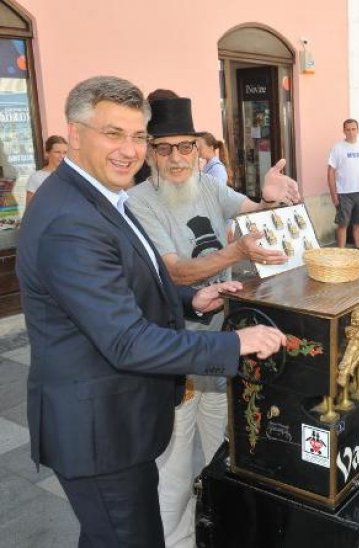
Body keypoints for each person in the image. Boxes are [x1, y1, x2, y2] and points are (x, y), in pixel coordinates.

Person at [16, 75, 286, 547]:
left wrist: (190, 300)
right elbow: (125, 340)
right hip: (100, 433)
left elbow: (129, 287)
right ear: (75, 134)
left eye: (138, 135)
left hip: (115, 421)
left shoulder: (98, 196)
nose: (129, 149)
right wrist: (233, 342)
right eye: (113, 133)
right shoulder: (71, 221)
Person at [127, 96, 300, 548]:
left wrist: (267, 198)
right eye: (164, 149)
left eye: (185, 146)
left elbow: (252, 214)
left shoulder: (207, 185)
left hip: (219, 351)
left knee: (224, 456)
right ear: (148, 152)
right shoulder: (138, 203)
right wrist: (235, 253)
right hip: (176, 362)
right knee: (174, 477)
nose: (177, 158)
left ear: (198, 148)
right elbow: (174, 272)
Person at [327, 118, 359, 249]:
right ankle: (341, 253)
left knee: (358, 224)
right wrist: (334, 195)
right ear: (343, 131)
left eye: (353, 129)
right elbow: (330, 172)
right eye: (348, 129)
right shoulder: (337, 148)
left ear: (358, 130)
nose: (351, 132)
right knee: (343, 225)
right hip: (344, 193)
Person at [25, 135, 68, 203]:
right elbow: (29, 208)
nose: (62, 156)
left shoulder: (71, 175)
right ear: (47, 153)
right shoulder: (36, 177)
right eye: (57, 152)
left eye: (65, 152)